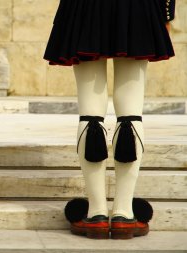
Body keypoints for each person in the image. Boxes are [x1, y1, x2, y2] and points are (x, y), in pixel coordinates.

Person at [44, 0, 175, 239]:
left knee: (90, 112)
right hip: (137, 8)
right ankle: (124, 214)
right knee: (131, 112)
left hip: (86, 9)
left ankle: (96, 214)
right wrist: (166, 12)